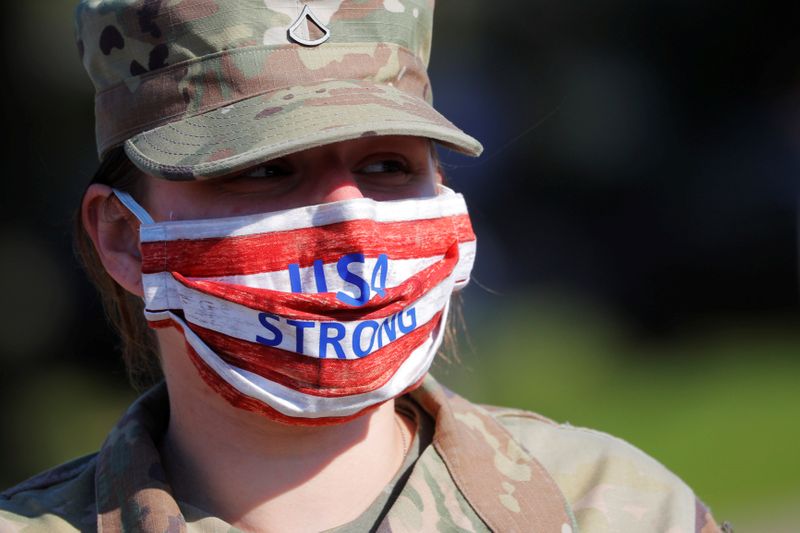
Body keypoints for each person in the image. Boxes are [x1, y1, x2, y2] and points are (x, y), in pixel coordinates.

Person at [1, 1, 727, 531]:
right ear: (125, 237)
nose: (349, 217)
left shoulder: (620, 506)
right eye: (266, 169)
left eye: (387, 164)